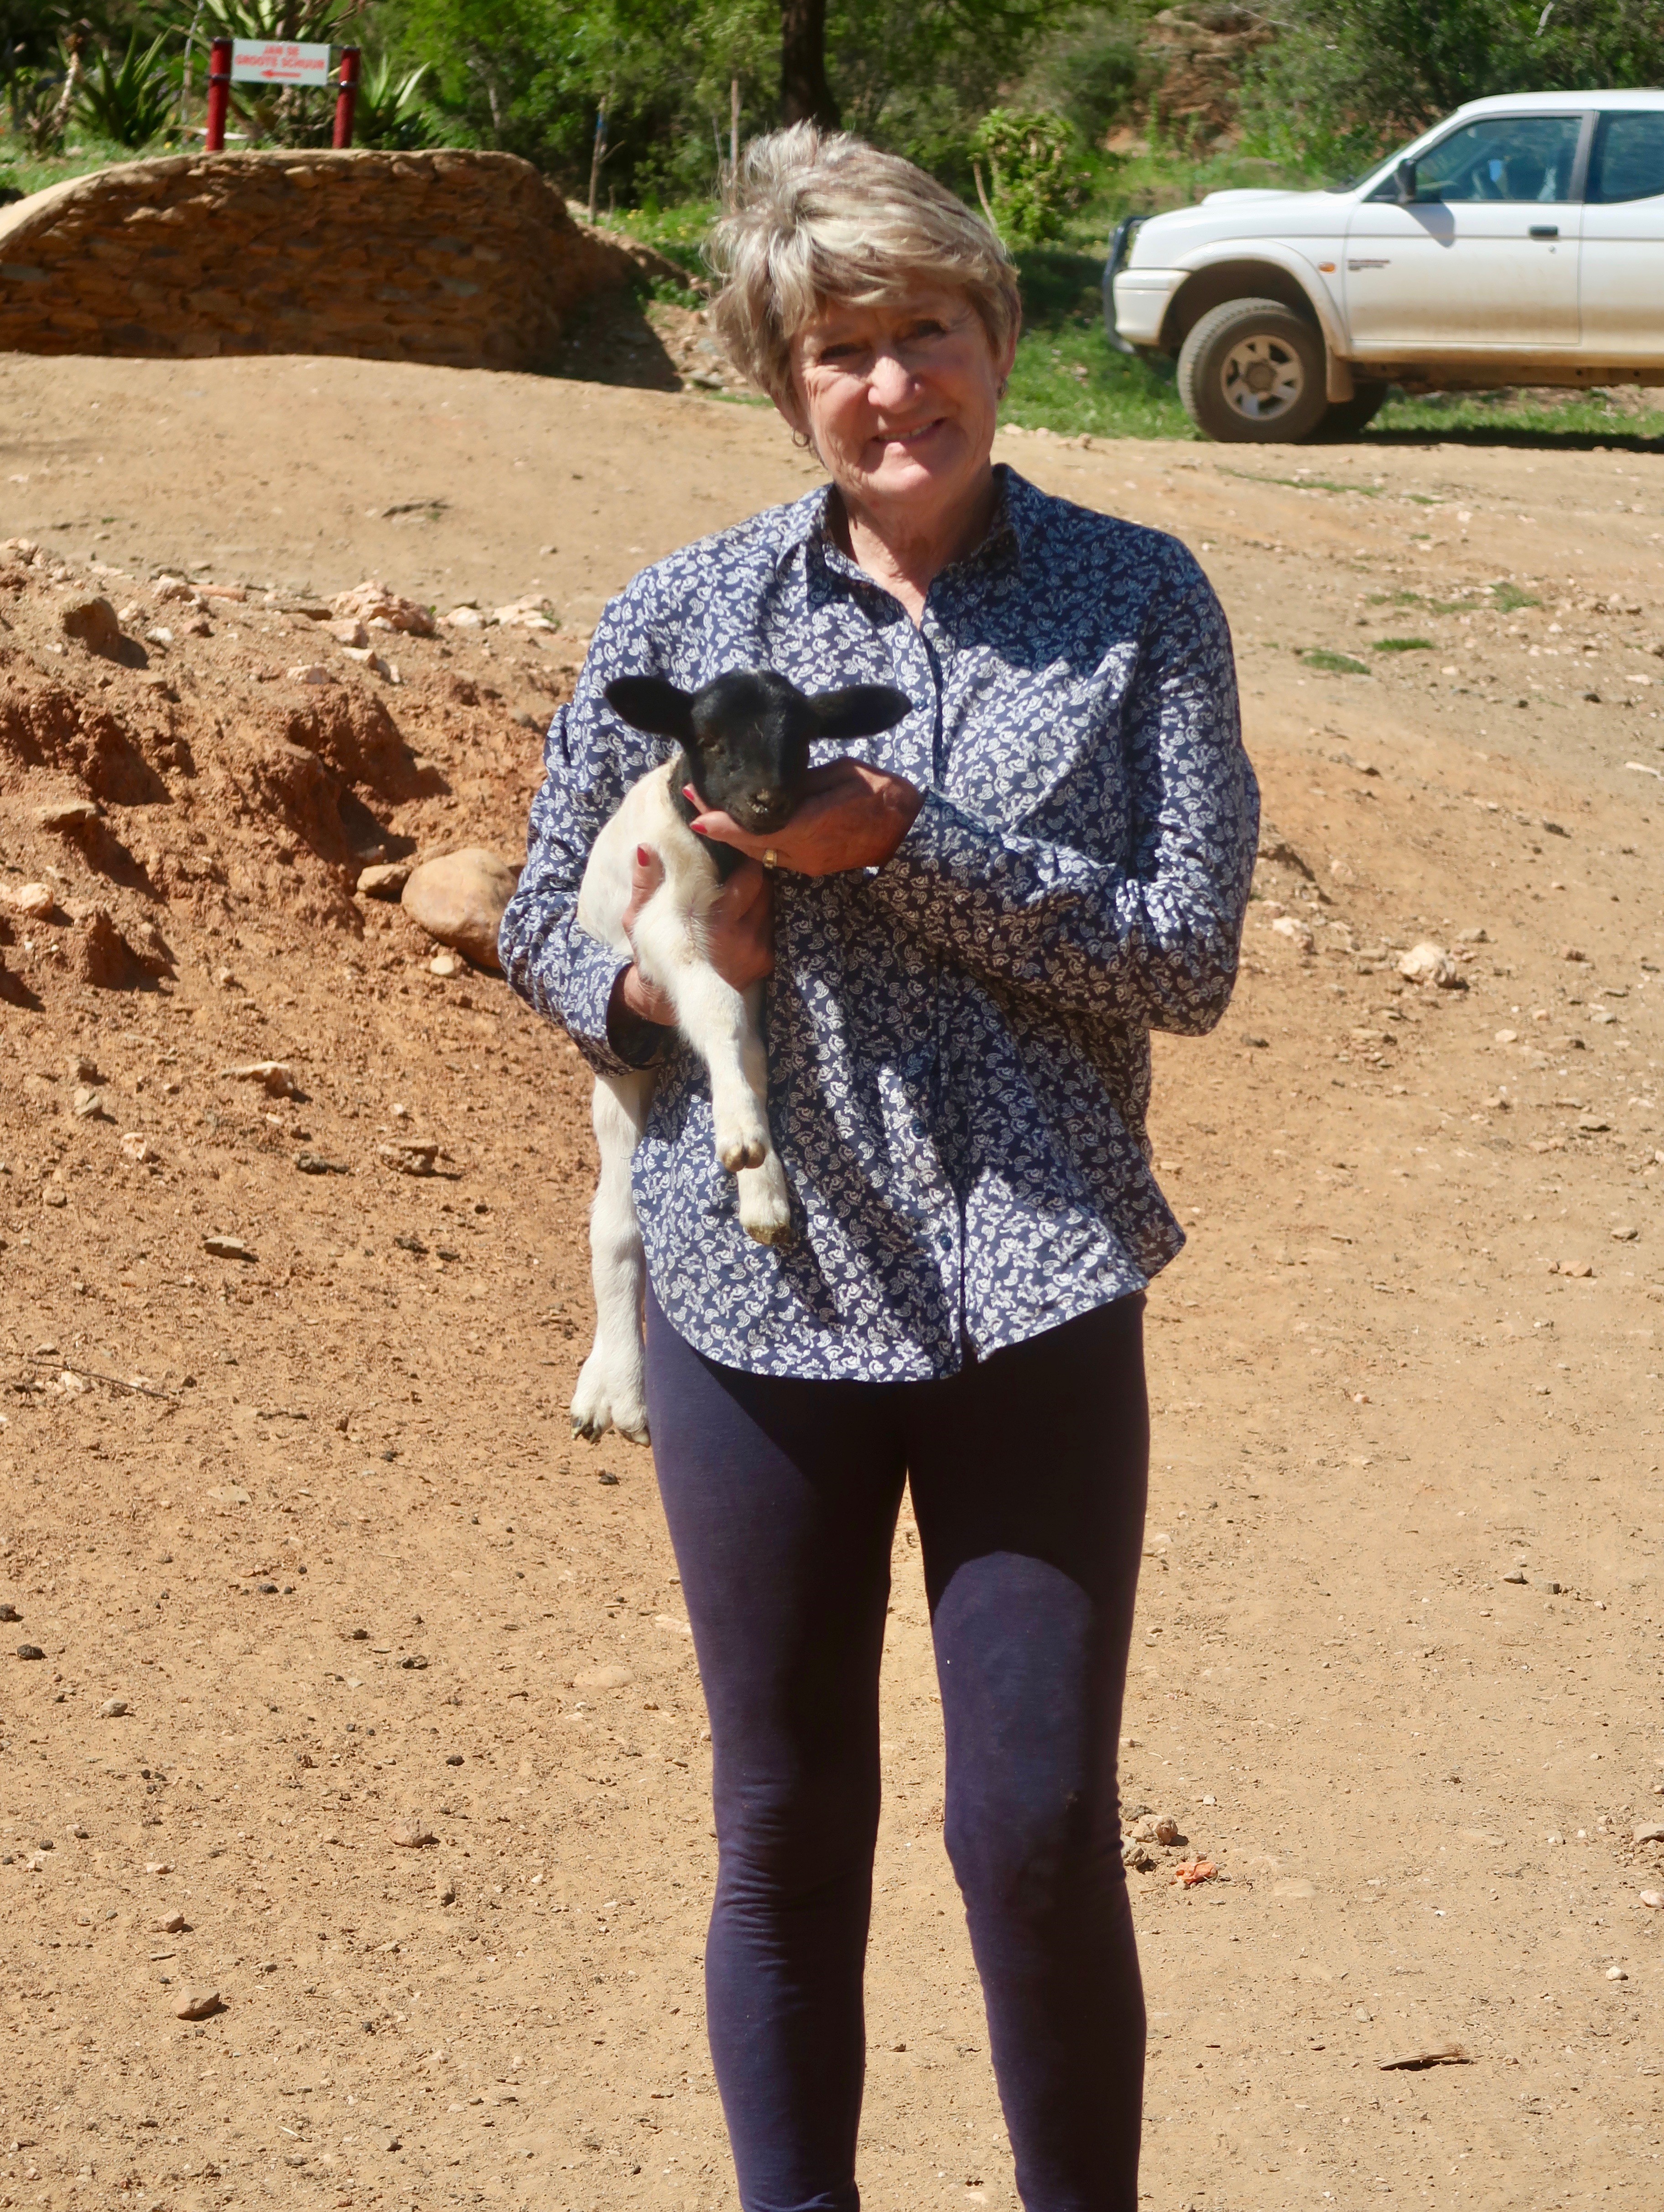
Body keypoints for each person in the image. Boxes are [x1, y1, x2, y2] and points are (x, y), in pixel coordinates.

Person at [499, 122, 1259, 2212]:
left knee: (1028, 1826)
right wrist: (666, 987)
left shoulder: (1135, 603)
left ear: (998, 340)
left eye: (927, 330)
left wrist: (908, 845)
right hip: (756, 1300)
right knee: (783, 1819)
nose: (891, 385)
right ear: (778, 374)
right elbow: (542, 925)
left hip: (1030, 1280)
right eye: (838, 346)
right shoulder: (684, 610)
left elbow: (1184, 957)